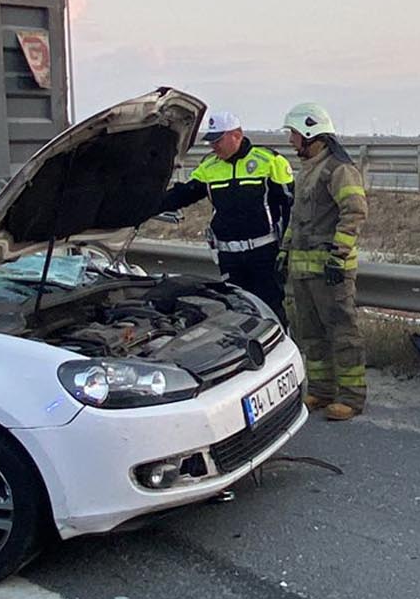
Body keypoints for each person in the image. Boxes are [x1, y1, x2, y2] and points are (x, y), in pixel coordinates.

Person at [149, 111, 294, 319]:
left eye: (218, 140)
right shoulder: (210, 165)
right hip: (229, 256)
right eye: (211, 141)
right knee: (236, 309)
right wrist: (147, 207)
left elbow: (290, 206)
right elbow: (183, 194)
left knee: (270, 309)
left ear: (237, 135)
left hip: (264, 254)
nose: (213, 146)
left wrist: (287, 250)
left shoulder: (269, 161)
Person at [279, 102, 368, 420]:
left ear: (309, 132)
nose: (290, 141)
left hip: (330, 272)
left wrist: (338, 255)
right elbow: (297, 217)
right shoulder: (307, 171)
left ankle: (352, 397)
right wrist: (284, 251)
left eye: (293, 134)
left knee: (342, 333)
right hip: (303, 272)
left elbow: (354, 212)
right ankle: (321, 390)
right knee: (310, 333)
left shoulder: (338, 170)